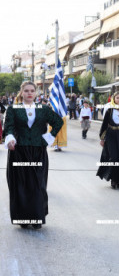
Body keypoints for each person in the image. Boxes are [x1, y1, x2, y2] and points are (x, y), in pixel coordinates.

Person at [4, 81, 63, 229]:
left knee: (38, 184)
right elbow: (9, 127)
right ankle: (23, 219)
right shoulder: (13, 109)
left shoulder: (43, 109)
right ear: (21, 93)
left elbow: (57, 122)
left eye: (32, 91)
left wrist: (48, 137)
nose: (29, 93)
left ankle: (36, 217)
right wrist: (10, 139)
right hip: (19, 152)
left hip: (38, 152)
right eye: (26, 91)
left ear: (36, 93)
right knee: (21, 185)